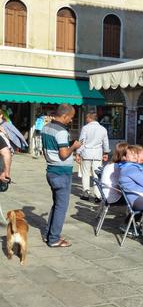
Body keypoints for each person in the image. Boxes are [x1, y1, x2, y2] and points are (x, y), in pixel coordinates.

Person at [41, 103, 81, 248]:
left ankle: (48, 234)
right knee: (61, 207)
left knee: (56, 205)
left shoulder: (47, 127)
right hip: (61, 172)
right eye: (70, 117)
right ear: (64, 115)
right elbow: (63, 154)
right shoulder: (61, 131)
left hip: (51, 170)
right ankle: (54, 239)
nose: (71, 120)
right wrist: (74, 147)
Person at [76, 112, 110, 202]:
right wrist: (106, 153)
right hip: (97, 154)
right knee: (97, 175)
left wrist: (78, 153)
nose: (86, 119)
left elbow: (82, 141)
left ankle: (86, 193)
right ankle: (97, 195)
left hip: (86, 153)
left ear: (90, 118)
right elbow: (105, 143)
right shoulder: (103, 129)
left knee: (85, 174)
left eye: (87, 118)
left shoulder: (85, 128)